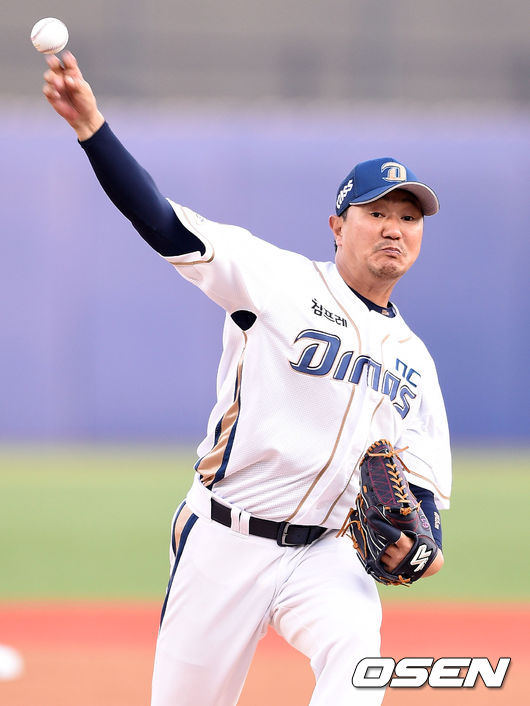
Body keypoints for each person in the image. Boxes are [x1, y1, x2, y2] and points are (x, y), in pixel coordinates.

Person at [42, 52, 451, 706]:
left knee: (357, 659)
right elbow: (163, 222)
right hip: (226, 540)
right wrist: (93, 129)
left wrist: (421, 544)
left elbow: (423, 490)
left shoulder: (415, 362)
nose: (394, 229)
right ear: (338, 225)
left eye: (409, 218)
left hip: (326, 555)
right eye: (377, 212)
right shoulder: (276, 280)